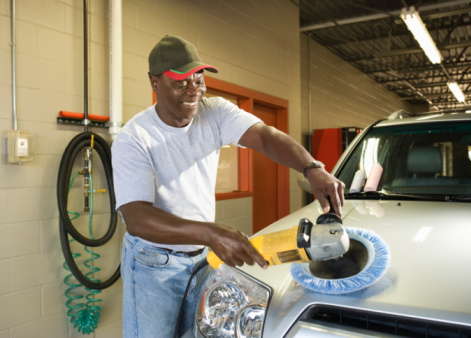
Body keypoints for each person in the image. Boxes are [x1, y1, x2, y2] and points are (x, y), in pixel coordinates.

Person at [111, 35, 345, 338]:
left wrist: (311, 167)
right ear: (154, 83)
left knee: (201, 332)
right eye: (181, 83)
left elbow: (265, 136)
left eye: (199, 79)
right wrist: (211, 233)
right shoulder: (135, 138)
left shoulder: (215, 111)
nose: (194, 91)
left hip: (202, 258)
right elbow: (137, 218)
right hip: (154, 263)